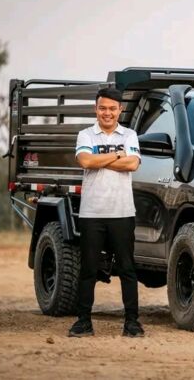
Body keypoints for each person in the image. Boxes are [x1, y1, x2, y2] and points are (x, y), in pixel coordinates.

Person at [68, 87, 144, 338]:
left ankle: (132, 322)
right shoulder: (86, 134)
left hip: (122, 212)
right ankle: (83, 322)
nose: (107, 113)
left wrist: (101, 158)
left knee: (127, 269)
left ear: (120, 109)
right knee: (88, 269)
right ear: (96, 109)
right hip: (92, 213)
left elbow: (132, 164)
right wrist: (117, 155)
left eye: (112, 108)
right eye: (102, 108)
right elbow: (85, 161)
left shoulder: (130, 134)